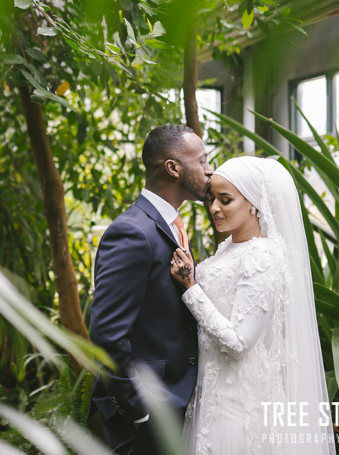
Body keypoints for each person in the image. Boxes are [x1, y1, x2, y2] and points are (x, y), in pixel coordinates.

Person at [170, 156, 335, 454]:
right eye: (212, 199)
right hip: (213, 393)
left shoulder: (263, 256)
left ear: (254, 203)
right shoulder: (229, 247)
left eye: (226, 200)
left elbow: (240, 341)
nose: (214, 208)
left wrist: (191, 288)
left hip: (238, 405)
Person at [88, 124, 213, 454]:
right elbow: (106, 335)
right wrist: (141, 412)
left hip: (177, 405)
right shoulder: (132, 232)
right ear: (173, 168)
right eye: (202, 161)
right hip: (148, 416)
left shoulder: (171, 225)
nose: (209, 169)